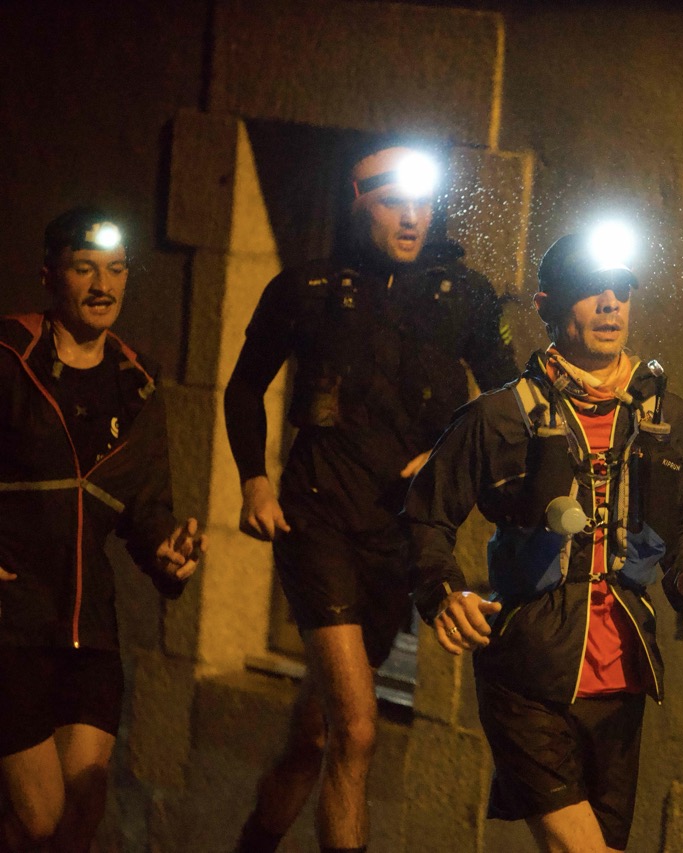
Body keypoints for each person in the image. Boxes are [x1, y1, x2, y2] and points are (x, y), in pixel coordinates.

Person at [225, 142, 518, 853]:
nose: (412, 217)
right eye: (393, 203)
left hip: (401, 536)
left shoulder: (463, 293)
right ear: (359, 204)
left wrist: (450, 453)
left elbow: (509, 402)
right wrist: (254, 480)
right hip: (318, 519)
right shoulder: (308, 288)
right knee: (357, 728)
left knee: (315, 733)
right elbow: (244, 387)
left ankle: (251, 844)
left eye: (422, 203)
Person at [405, 226, 683, 853]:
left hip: (623, 678)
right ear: (547, 305)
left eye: (621, 289)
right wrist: (444, 593)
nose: (610, 303)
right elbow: (424, 517)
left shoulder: (668, 417)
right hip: (528, 674)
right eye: (589, 289)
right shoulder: (499, 416)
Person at [0, 207, 205, 852]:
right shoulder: (9, 355)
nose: (102, 285)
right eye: (84, 268)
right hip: (11, 620)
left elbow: (146, 505)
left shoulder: (137, 382)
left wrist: (167, 549)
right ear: (49, 276)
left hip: (88, 626)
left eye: (115, 270)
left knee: (83, 803)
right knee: (39, 817)